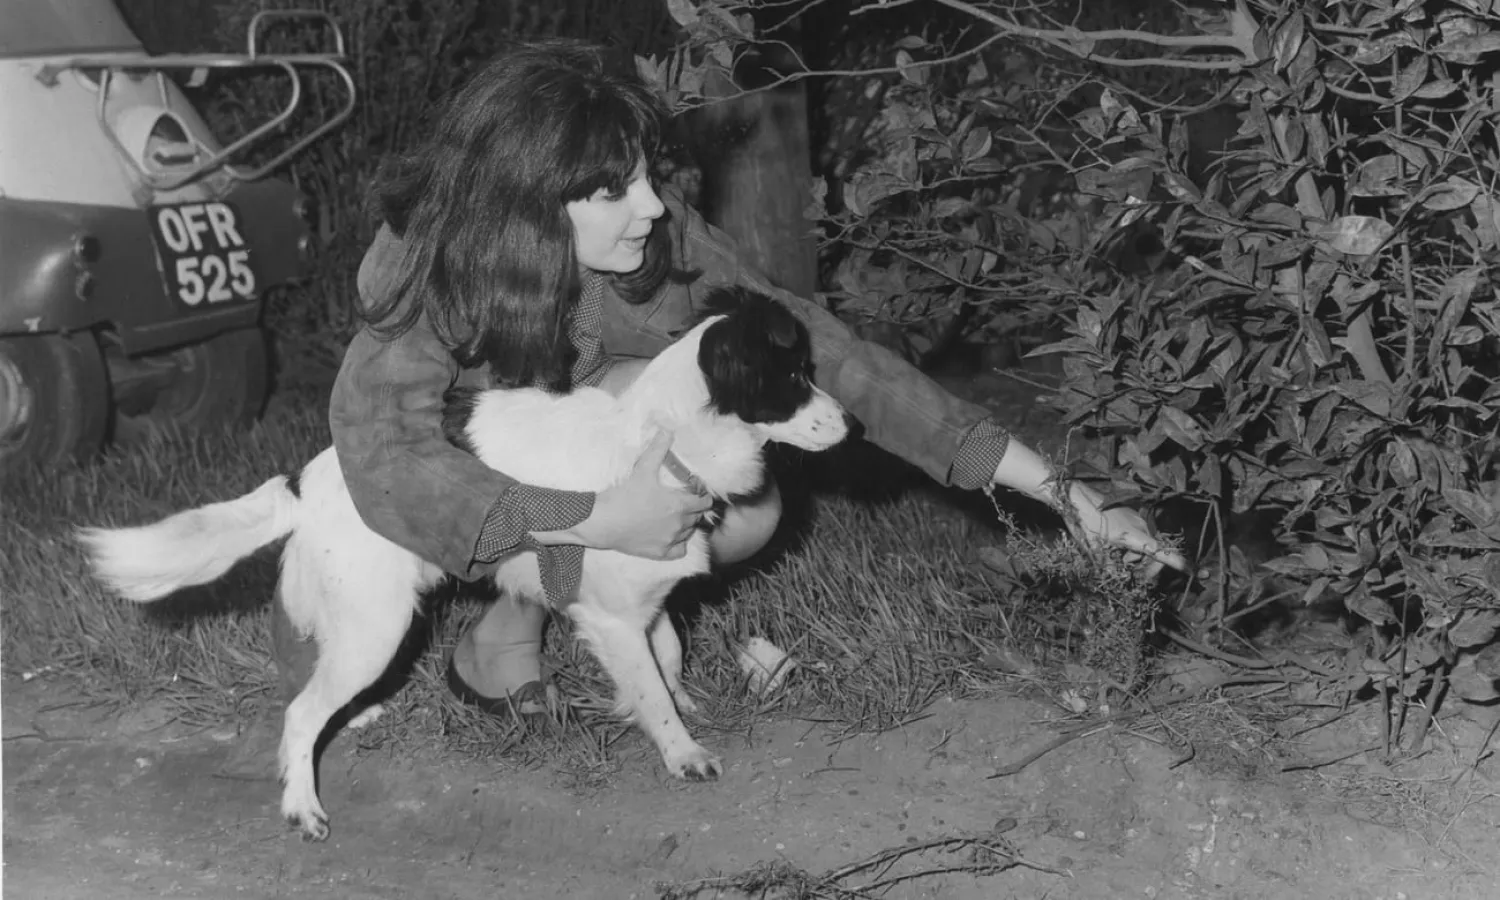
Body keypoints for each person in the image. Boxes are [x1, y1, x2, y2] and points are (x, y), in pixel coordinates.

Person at [272, 38, 1185, 715]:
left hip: (569, 456)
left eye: (643, 178)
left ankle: (539, 613)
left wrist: (1066, 494)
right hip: (399, 516)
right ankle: (496, 629)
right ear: (527, 202)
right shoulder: (428, 272)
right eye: (612, 191)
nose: (650, 206)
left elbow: (837, 360)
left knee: (744, 513)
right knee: (342, 645)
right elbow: (383, 454)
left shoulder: (662, 244)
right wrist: (594, 517)